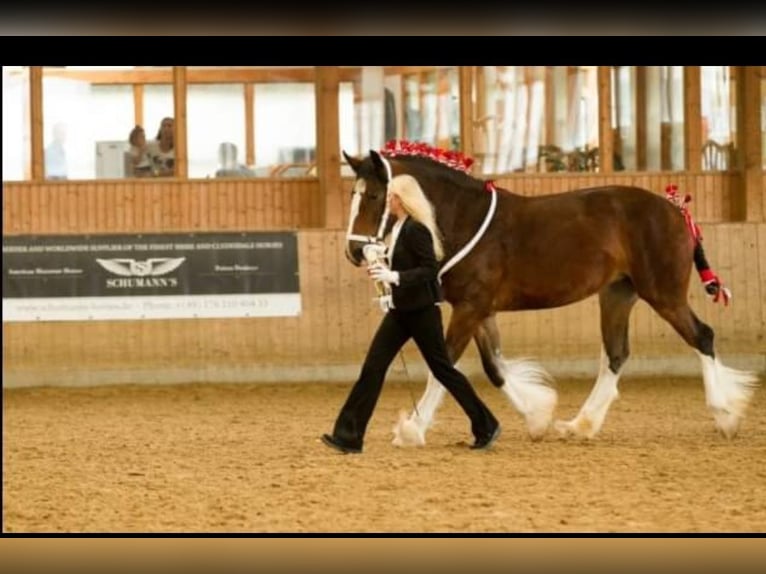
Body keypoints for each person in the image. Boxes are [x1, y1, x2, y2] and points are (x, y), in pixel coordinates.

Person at [321, 174, 501, 454]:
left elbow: (429, 270)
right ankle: (349, 436)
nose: (389, 201)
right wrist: (380, 261)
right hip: (400, 311)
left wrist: (393, 275)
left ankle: (485, 424)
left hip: (422, 312)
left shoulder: (417, 229)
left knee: (443, 370)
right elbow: (403, 262)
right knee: (373, 368)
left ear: (403, 200)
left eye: (392, 197)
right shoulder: (399, 229)